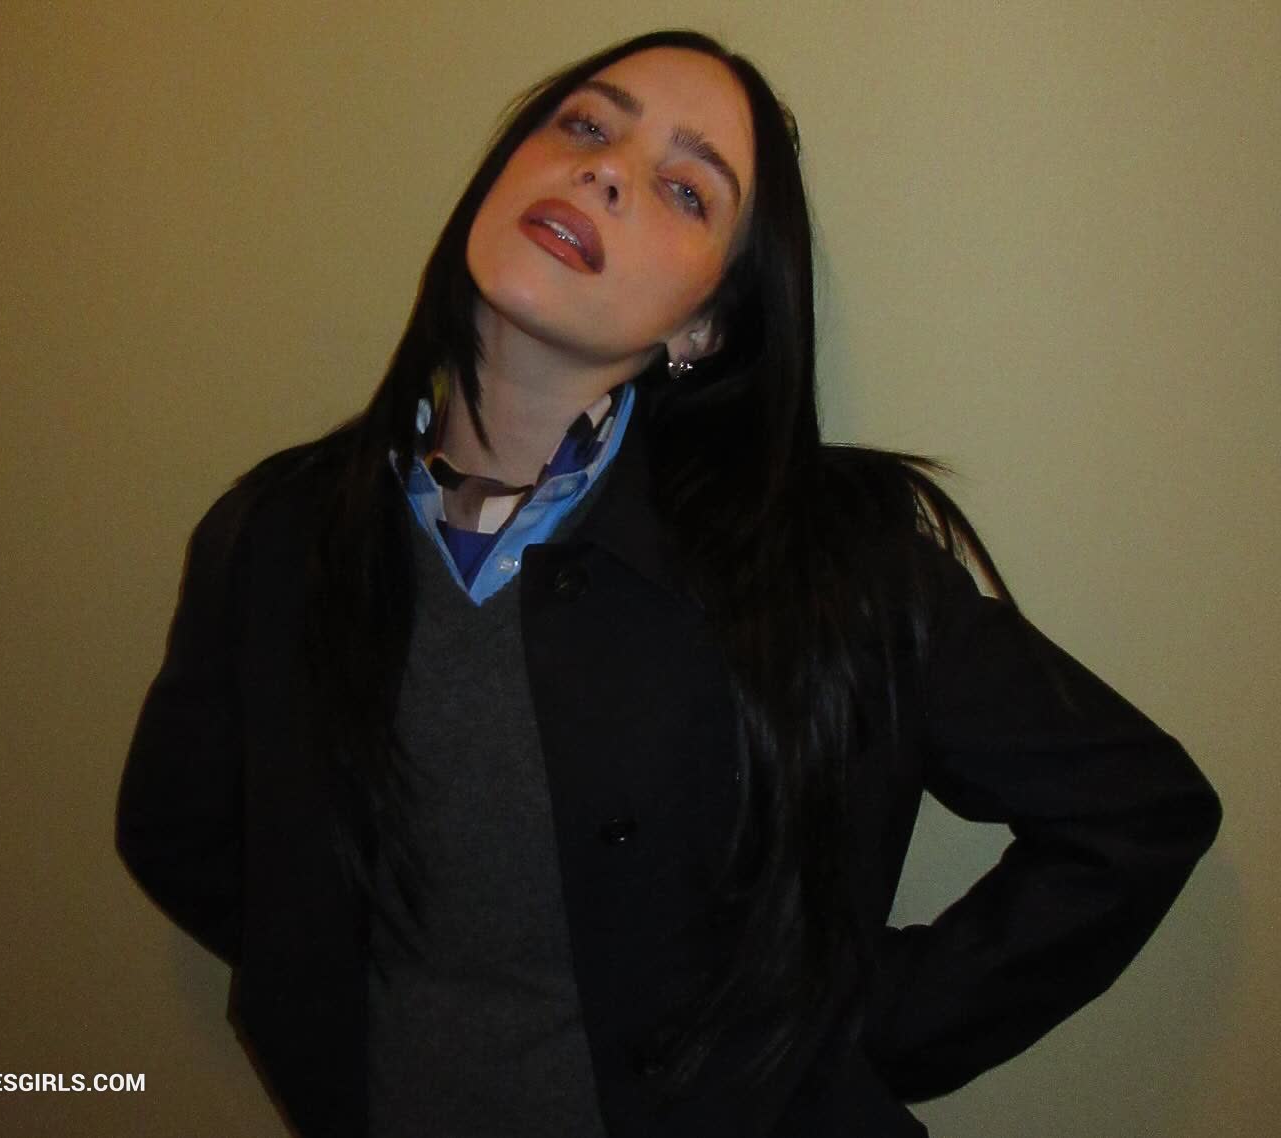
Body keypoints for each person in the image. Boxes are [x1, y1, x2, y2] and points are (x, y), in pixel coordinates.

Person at [116, 29, 1222, 1138]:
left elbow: (1133, 814)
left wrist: (855, 1034)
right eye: (584, 125)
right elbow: (184, 835)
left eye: (687, 190)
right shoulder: (276, 534)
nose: (604, 169)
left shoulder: (834, 562)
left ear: (704, 323)